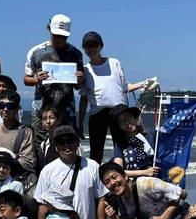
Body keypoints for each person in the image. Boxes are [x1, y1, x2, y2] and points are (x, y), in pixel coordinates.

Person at [77, 31, 150, 163]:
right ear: (84, 49)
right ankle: (95, 181)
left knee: (123, 148)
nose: (92, 48)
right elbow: (83, 98)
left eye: (95, 45)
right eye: (88, 46)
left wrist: (142, 84)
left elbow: (124, 87)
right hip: (97, 114)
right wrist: (80, 122)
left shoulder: (114, 63)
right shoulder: (85, 70)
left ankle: (125, 177)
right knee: (96, 152)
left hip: (119, 112)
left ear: (101, 46)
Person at [34, 126, 110, 219]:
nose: (66, 145)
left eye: (70, 140)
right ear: (56, 147)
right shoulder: (47, 171)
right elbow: (43, 206)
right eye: (61, 142)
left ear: (77, 142)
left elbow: (101, 199)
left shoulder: (92, 166)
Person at [24, 14, 85, 145]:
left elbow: (78, 86)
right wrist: (36, 80)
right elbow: (26, 79)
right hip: (42, 110)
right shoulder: (35, 52)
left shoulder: (75, 53)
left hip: (66, 111)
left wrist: (80, 80)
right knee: (39, 147)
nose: (59, 39)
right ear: (49, 30)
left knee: (67, 146)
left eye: (63, 36)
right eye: (56, 35)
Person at [0, 89, 37, 181]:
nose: (5, 109)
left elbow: (27, 162)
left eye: (10, 106)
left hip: (15, 182)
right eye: (1, 105)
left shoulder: (25, 131)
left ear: (17, 109)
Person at [35, 105, 62, 171]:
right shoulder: (44, 146)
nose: (48, 122)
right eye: (44, 119)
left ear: (59, 120)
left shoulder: (70, 143)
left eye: (51, 118)